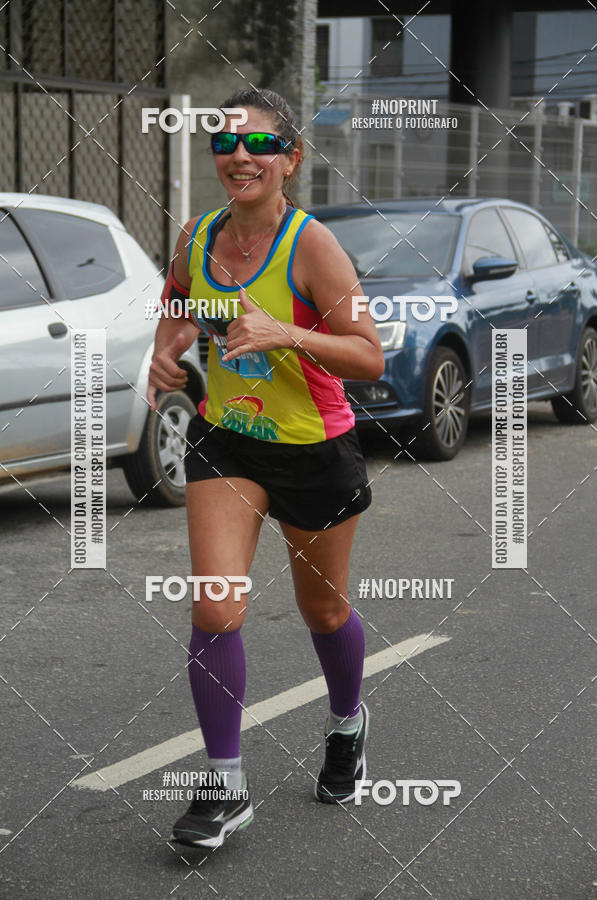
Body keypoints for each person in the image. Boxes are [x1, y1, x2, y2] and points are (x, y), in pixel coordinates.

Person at [147, 88, 384, 849]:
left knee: (324, 613)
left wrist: (287, 331)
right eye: (225, 145)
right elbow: (179, 300)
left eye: (257, 145)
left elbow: (370, 357)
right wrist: (167, 349)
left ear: (289, 159)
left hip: (315, 450)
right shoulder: (198, 235)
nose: (239, 156)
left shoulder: (312, 246)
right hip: (228, 441)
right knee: (216, 607)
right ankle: (223, 786)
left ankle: (347, 722)